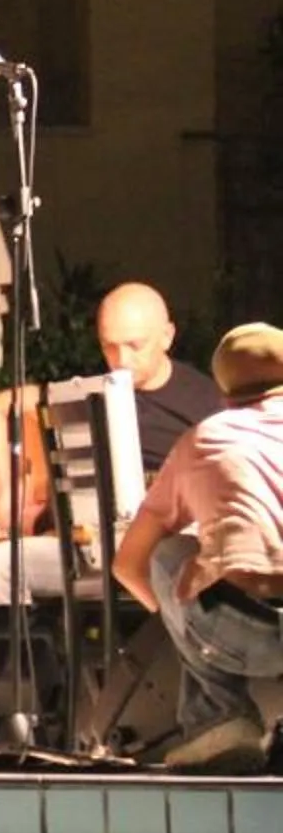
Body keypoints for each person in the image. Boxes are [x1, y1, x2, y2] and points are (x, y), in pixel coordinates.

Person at [0, 280, 224, 601]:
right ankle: (33, 637)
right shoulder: (90, 391)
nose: (122, 359)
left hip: (168, 545)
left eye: (135, 345)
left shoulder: (208, 403)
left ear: (167, 336)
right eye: (109, 346)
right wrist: (5, 493)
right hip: (92, 544)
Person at [113, 322, 283, 774]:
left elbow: (129, 563)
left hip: (244, 632)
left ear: (223, 392)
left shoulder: (206, 437)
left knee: (171, 558)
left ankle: (221, 721)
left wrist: (181, 626)